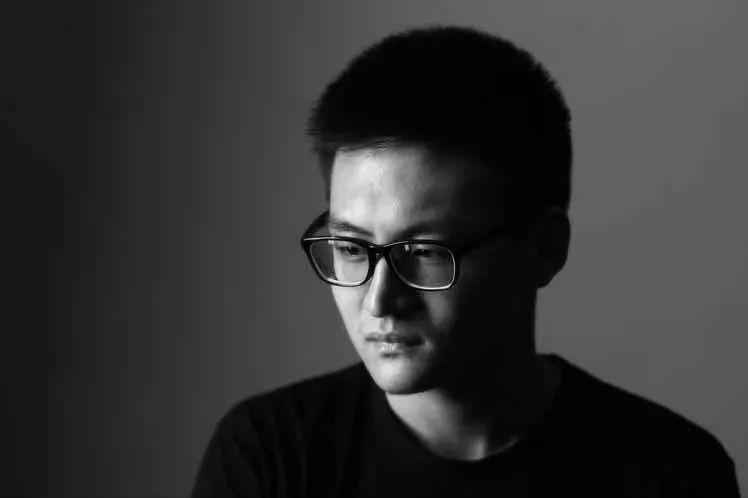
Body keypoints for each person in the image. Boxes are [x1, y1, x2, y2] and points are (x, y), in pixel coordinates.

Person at [191, 26, 739, 497]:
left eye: (424, 253)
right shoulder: (270, 454)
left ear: (545, 247)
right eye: (353, 249)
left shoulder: (669, 472)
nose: (380, 301)